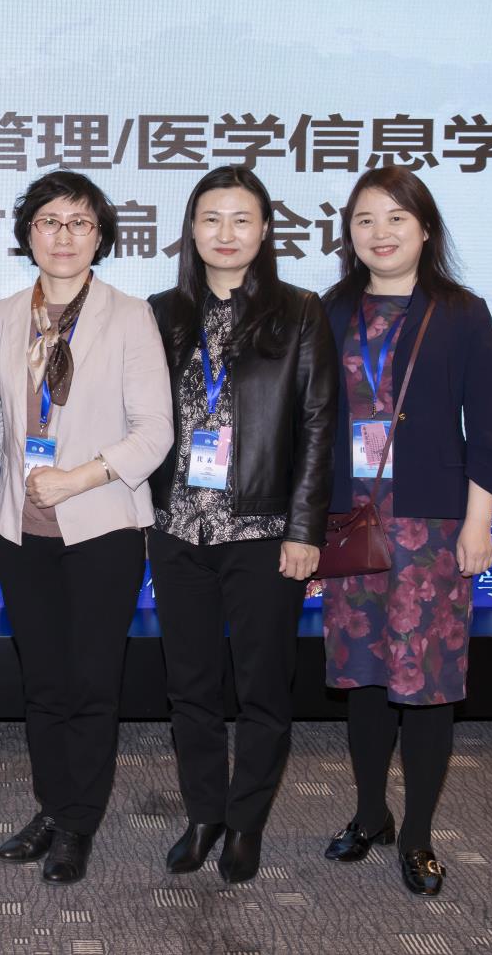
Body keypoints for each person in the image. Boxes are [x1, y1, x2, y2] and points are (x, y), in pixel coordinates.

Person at [318, 166, 492, 898]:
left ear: (425, 229)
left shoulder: (461, 313)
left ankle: (420, 836)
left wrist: (477, 523)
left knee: (427, 686)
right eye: (365, 219)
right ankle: (371, 814)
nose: (381, 232)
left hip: (432, 530)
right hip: (352, 522)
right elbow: (312, 428)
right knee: (364, 678)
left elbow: (488, 432)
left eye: (397, 218)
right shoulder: (330, 311)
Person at [146, 166, 337, 883]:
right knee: (189, 687)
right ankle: (203, 814)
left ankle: (246, 823)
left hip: (263, 532)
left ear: (264, 230)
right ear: (191, 231)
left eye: (241, 219)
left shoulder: (300, 311)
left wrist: (305, 529)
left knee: (262, 688)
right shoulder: (162, 313)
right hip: (177, 529)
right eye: (211, 219)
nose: (225, 234)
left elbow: (318, 426)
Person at [0, 171, 171, 885]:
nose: (63, 236)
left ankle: (78, 823)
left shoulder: (129, 316)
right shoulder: (3, 316)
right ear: (28, 233)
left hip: (102, 528)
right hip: (20, 530)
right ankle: (52, 805)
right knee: (43, 683)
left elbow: (154, 433)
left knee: (92, 683)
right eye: (49, 221)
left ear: (100, 237)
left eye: (80, 223)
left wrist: (77, 477)